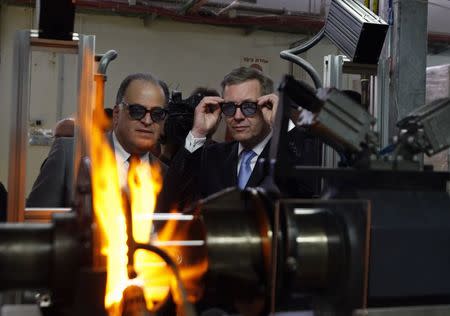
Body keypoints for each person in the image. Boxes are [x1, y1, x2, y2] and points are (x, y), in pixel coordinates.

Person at [159, 67, 321, 211]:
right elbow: (171, 199)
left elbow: (307, 190)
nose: (237, 116)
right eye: (229, 107)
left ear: (268, 105)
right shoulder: (213, 156)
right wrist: (197, 133)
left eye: (248, 107)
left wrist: (282, 125)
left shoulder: (288, 153)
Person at [27, 73, 169, 207]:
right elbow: (35, 225)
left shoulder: (167, 175)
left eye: (157, 114)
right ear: (116, 114)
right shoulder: (70, 155)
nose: (147, 120)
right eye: (137, 111)